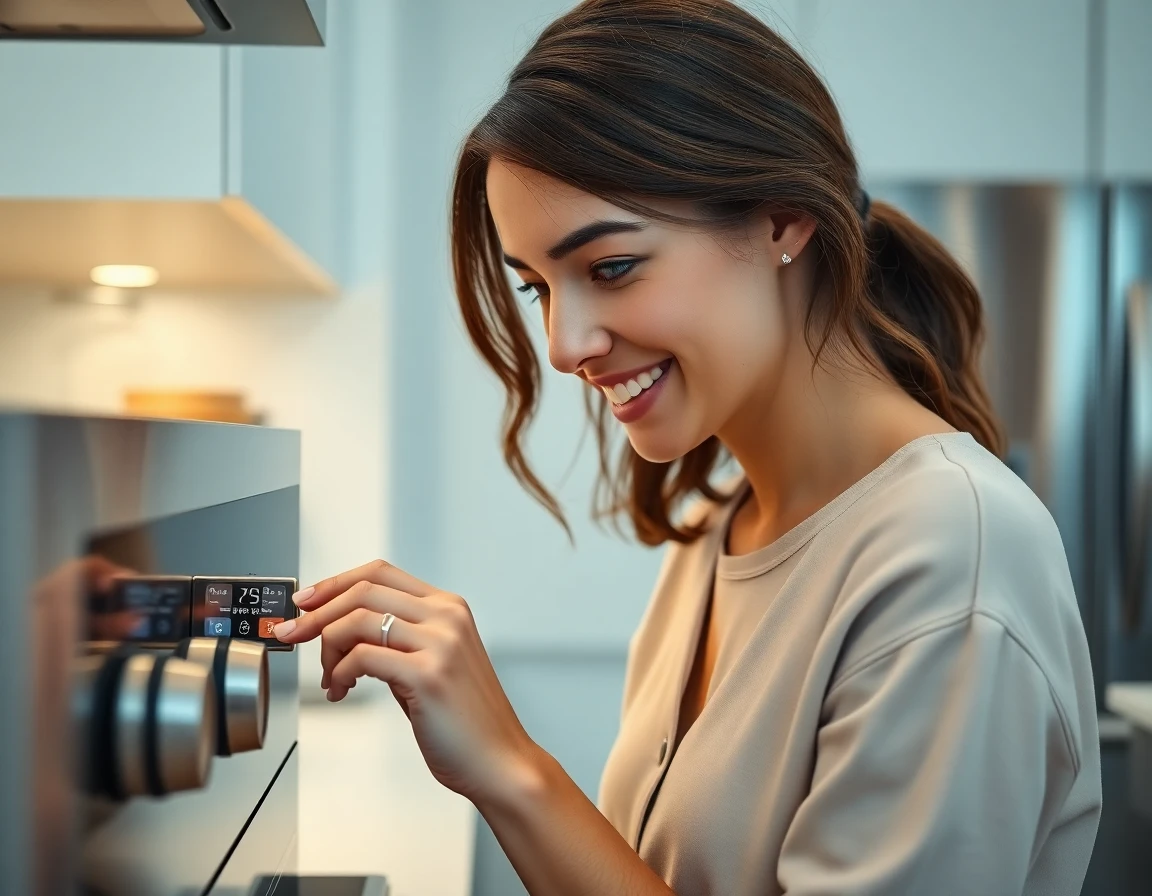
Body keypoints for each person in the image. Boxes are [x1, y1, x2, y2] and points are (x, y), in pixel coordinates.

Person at [273, 1, 1102, 892]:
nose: (563, 345)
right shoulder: (719, 527)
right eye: (537, 288)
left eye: (611, 267)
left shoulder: (953, 555)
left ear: (782, 220)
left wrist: (513, 770)